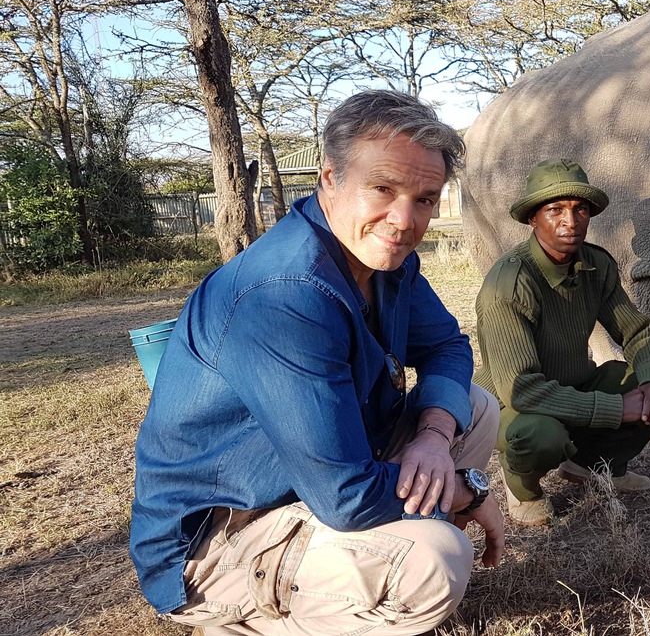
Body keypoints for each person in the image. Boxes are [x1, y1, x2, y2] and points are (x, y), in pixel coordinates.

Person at [130, 90, 503, 635]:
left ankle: (338, 576)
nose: (404, 220)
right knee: (432, 559)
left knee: (472, 408)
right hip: (221, 537)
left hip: (306, 480)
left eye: (425, 198)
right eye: (383, 188)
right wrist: (468, 490)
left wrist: (432, 436)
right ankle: (247, 615)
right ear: (330, 177)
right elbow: (346, 497)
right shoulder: (284, 295)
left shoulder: (385, 261)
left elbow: (446, 347)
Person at [474, 158, 650, 526]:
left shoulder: (596, 264)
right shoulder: (509, 284)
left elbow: (638, 334)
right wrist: (616, 409)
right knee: (538, 435)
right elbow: (522, 390)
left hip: (575, 382)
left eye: (580, 209)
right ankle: (524, 489)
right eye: (555, 210)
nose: (571, 221)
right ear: (533, 218)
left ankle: (594, 466)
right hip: (511, 403)